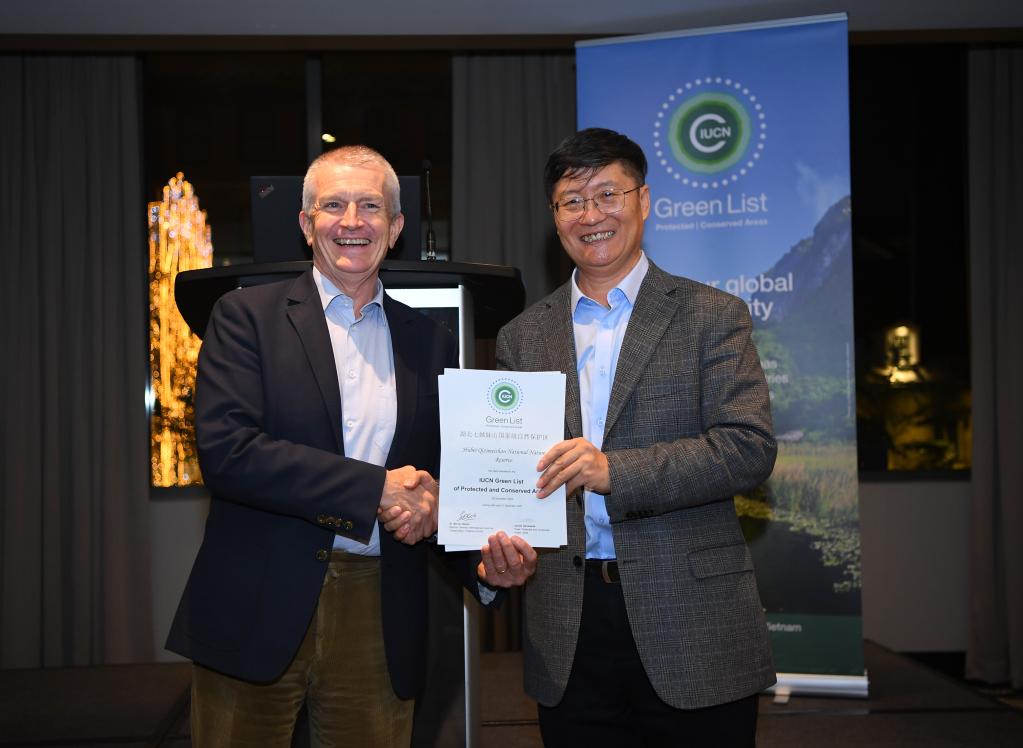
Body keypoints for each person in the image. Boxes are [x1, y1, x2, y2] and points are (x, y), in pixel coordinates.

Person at [167, 145, 535, 747]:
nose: (352, 221)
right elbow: (230, 453)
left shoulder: (429, 341)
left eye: (370, 206)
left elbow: (436, 482)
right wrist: (376, 489)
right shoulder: (245, 317)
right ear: (306, 222)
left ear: (396, 226)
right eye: (333, 205)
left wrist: (484, 560)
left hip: (379, 609)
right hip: (257, 597)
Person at [496, 128, 777, 747]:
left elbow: (748, 446)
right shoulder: (522, 336)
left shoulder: (711, 314)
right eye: (572, 200)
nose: (591, 214)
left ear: (643, 201)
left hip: (693, 620)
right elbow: (512, 472)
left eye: (608, 194)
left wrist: (614, 471)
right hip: (568, 625)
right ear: (554, 216)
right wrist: (495, 544)